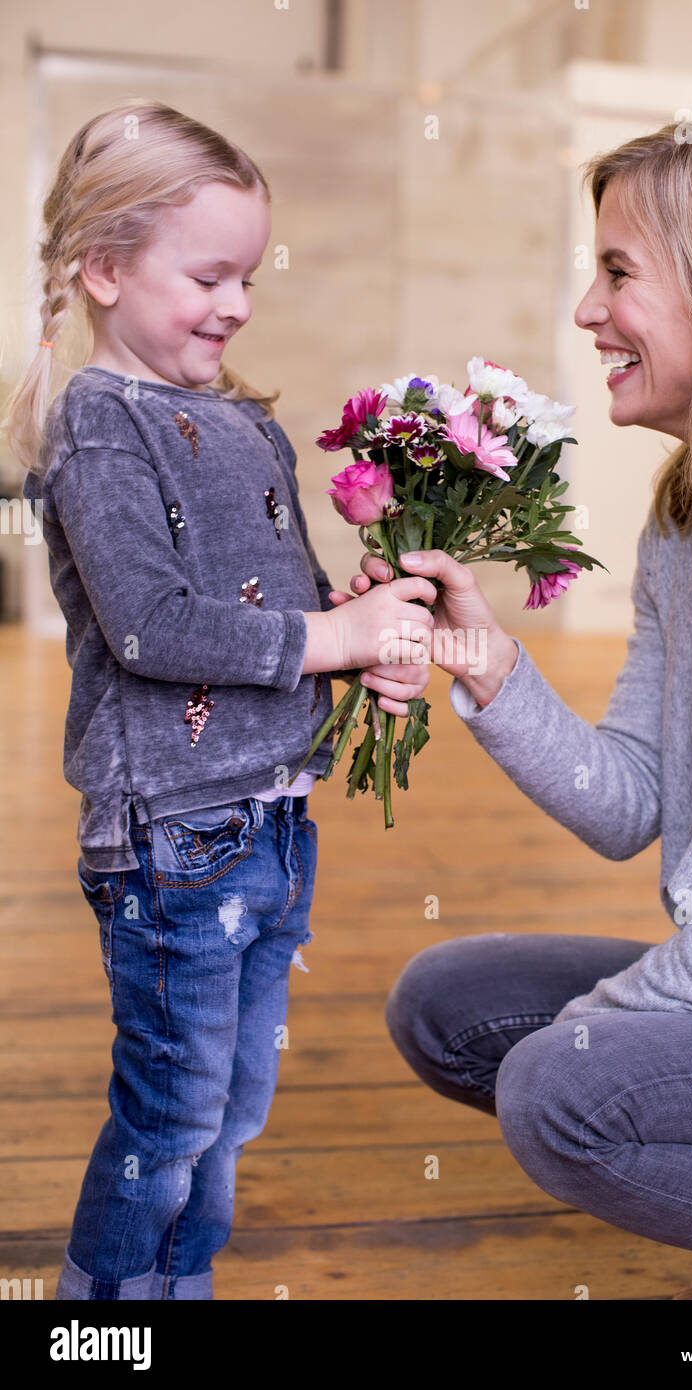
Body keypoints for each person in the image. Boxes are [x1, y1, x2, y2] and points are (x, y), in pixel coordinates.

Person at [339, 117, 692, 1301]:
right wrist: (487, 666)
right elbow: (629, 796)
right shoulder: (691, 523)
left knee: (558, 1083)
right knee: (448, 1005)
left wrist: (588, 1028)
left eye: (617, 272)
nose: (583, 309)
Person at [5, 101, 435, 1300]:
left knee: (231, 1111)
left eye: (246, 275)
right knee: (171, 1111)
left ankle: (174, 1295)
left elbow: (280, 603)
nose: (237, 302)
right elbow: (153, 627)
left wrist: (359, 640)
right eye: (208, 275)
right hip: (174, 838)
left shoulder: (245, 419)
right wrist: (323, 632)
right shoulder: (98, 428)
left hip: (272, 824)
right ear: (101, 269)